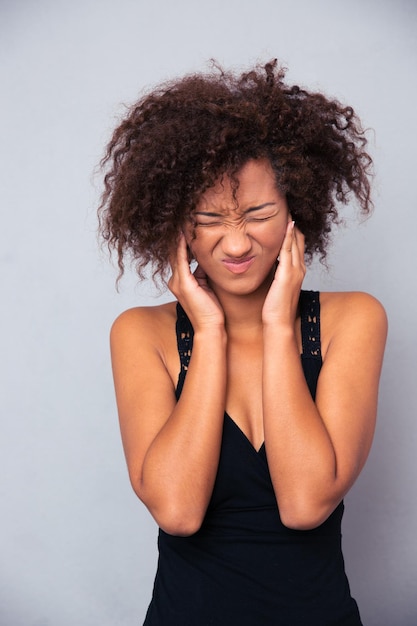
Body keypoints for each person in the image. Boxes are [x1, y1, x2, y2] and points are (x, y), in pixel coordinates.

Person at [98, 60, 387, 625]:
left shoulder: (352, 320)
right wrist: (208, 330)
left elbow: (305, 504)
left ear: (295, 214)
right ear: (179, 225)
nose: (236, 243)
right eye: (210, 218)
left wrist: (280, 323)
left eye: (258, 213)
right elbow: (177, 512)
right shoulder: (142, 333)